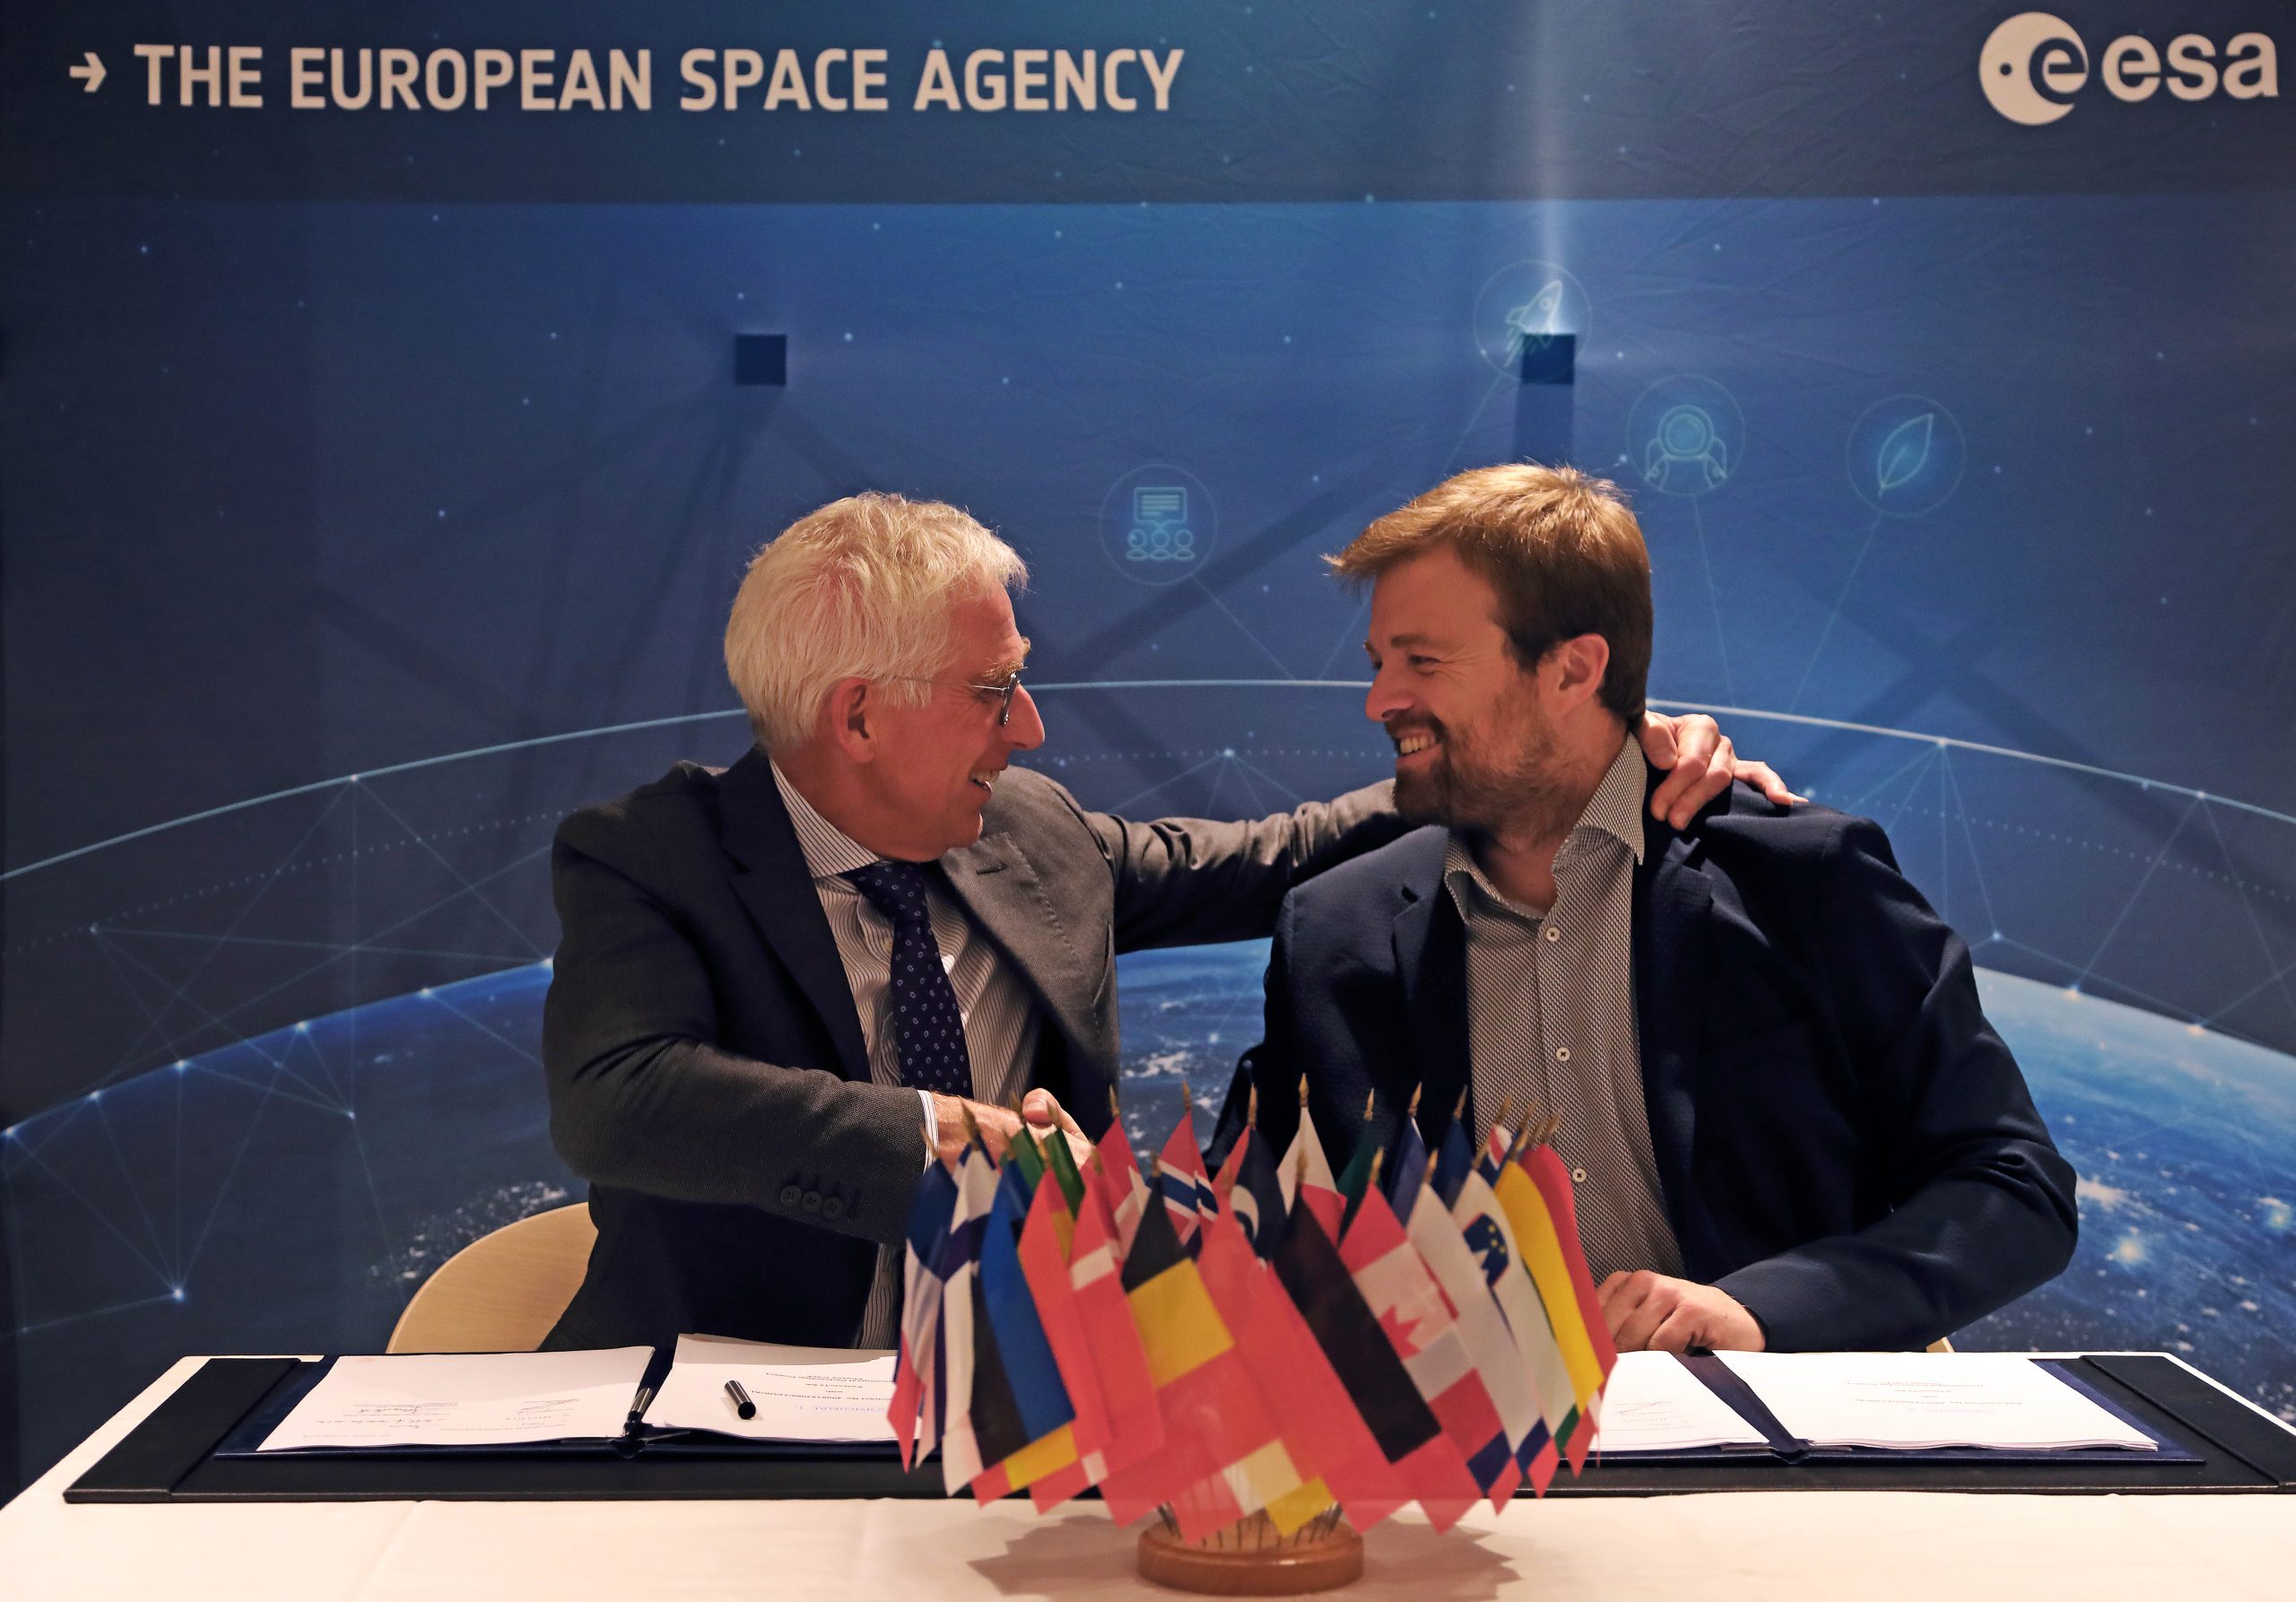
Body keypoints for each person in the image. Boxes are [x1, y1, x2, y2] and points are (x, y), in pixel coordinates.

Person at [542, 491, 1783, 1352]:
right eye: (994, 690)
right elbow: (622, 1096)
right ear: (858, 716)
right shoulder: (651, 856)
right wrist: (942, 1141)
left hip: (1040, 1424)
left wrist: (1568, 745)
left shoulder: (1031, 831)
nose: (1027, 728)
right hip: (724, 1415)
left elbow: (1279, 856)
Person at [1213, 464, 2076, 1354]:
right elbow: (1253, 1226)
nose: (1379, 700)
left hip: (1779, 1460)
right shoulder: (1332, 929)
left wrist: (1761, 1311)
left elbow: (2012, 1186)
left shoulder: (1805, 879)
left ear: (1573, 669)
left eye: (1421, 661)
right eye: (1379, 662)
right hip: (1468, 1474)